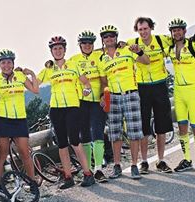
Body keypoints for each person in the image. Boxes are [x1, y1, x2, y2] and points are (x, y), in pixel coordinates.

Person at [37, 36, 95, 189]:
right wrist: (26, 73)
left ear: (64, 49)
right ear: (51, 51)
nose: (58, 51)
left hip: (72, 107)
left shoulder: (74, 65)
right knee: (62, 144)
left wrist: (86, 92)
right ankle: (68, 177)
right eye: (55, 48)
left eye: (60, 48)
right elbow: (35, 85)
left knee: (75, 141)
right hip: (56, 109)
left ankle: (88, 174)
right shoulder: (48, 69)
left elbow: (86, 83)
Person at [98, 25, 150, 179]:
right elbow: (103, 81)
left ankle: (134, 165)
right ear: (103, 39)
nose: (109, 39)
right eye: (106, 36)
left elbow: (146, 61)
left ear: (116, 37)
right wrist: (103, 95)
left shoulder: (127, 50)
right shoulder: (102, 59)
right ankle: (117, 165)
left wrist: (139, 51)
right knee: (115, 134)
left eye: (112, 36)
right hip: (113, 97)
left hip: (131, 94)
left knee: (134, 132)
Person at [126, 17, 174, 174]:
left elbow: (179, 41)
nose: (143, 32)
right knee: (144, 127)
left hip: (160, 86)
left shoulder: (161, 40)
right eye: (140, 29)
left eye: (145, 29)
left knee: (162, 126)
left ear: (151, 28)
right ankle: (144, 161)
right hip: (142, 87)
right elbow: (141, 60)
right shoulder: (132, 43)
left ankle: (161, 160)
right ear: (136, 30)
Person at [0, 49, 40, 184]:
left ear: (13, 63)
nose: (6, 65)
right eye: (3, 63)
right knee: (2, 155)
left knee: (25, 153)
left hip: (19, 119)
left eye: (9, 62)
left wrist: (32, 74)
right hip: (2, 119)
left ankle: (32, 182)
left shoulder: (20, 76)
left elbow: (35, 90)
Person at [167, 18, 195, 174]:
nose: (176, 32)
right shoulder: (170, 48)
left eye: (179, 29)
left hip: (193, 90)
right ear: (171, 33)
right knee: (182, 127)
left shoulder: (193, 44)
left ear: (184, 31)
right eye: (174, 30)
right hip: (179, 91)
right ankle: (187, 159)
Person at [68, 30, 108, 182]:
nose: (87, 45)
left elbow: (104, 80)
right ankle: (89, 168)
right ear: (79, 45)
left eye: (90, 42)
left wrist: (103, 95)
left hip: (97, 100)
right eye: (84, 43)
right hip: (81, 101)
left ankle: (98, 169)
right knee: (84, 135)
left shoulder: (99, 56)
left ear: (93, 44)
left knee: (98, 133)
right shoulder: (73, 60)